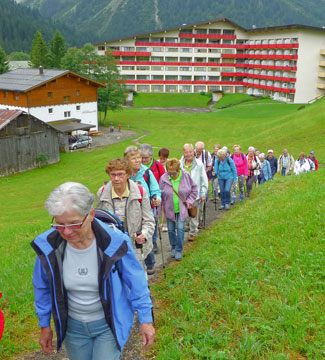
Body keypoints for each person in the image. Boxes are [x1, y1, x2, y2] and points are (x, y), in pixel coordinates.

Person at [31, 182, 155, 360]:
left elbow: (136, 281)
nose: (66, 232)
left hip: (108, 325)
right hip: (73, 329)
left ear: (91, 215)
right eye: (59, 224)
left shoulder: (116, 242)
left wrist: (145, 319)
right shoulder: (48, 246)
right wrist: (44, 325)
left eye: (74, 224)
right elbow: (42, 287)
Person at [96, 158, 155, 268]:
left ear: (128, 174)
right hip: (112, 247)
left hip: (135, 247)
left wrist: (144, 234)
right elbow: (98, 221)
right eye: (112, 175)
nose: (116, 178)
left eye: (120, 174)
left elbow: (149, 220)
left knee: (138, 281)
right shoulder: (102, 193)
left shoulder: (140, 192)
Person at [124, 146, 161, 275]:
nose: (138, 160)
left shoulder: (147, 173)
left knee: (146, 238)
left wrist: (157, 199)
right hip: (129, 215)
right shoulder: (124, 176)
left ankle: (150, 263)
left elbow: (156, 190)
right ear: (127, 160)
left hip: (146, 213)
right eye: (134, 158)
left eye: (139, 158)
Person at [159, 158, 198, 260]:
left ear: (179, 170)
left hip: (182, 208)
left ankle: (179, 249)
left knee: (180, 229)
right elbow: (159, 194)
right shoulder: (163, 178)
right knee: (171, 230)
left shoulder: (186, 176)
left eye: (174, 173)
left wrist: (189, 201)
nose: (171, 175)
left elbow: (194, 189)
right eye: (169, 172)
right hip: (169, 208)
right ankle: (174, 247)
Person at [139, 144, 166, 253]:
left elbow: (164, 179)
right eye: (142, 157)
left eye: (146, 157)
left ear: (151, 156)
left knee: (154, 220)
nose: (144, 160)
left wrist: (159, 196)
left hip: (154, 197)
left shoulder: (157, 165)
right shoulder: (137, 167)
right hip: (141, 200)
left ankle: (153, 241)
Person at [180, 143, 208, 241]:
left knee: (193, 213)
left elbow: (204, 179)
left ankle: (193, 232)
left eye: (190, 152)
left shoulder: (199, 164)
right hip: (182, 194)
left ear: (193, 152)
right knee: (184, 212)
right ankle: (188, 226)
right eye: (186, 152)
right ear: (183, 153)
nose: (188, 154)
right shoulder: (179, 164)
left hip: (194, 193)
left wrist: (203, 193)